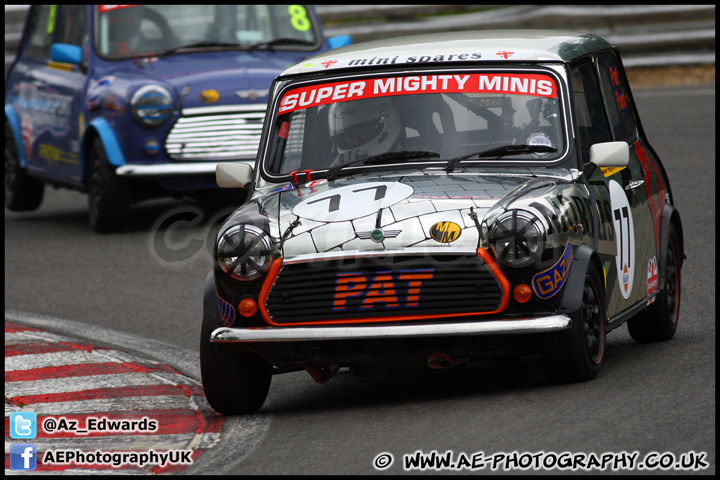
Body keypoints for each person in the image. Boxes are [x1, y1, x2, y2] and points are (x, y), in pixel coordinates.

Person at [328, 97, 401, 166]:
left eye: (361, 131)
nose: (355, 140)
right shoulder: (335, 173)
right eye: (349, 136)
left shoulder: (410, 165)